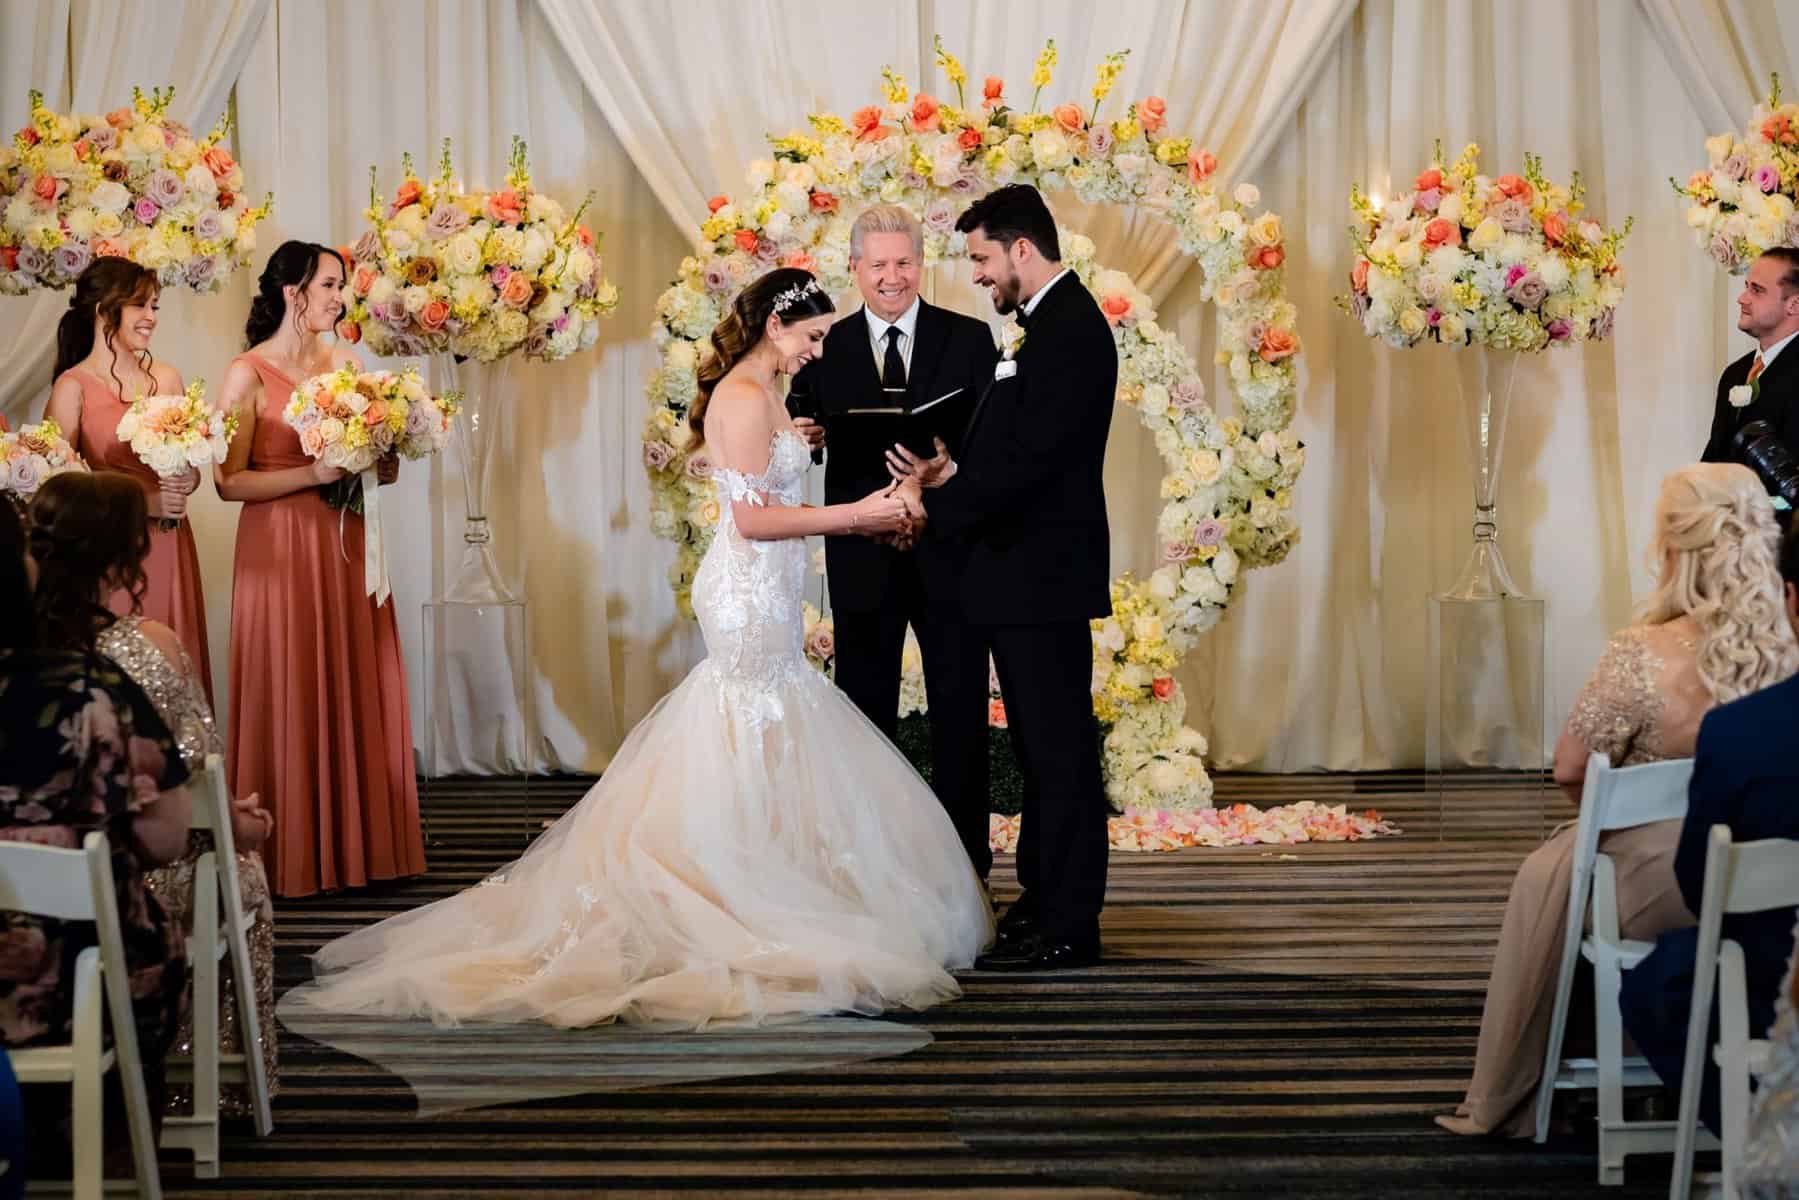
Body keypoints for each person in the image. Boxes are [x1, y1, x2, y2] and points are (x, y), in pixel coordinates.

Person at [292, 268, 991, 1031]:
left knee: (770, 723)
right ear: (774, 329)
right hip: (748, 591)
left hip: (767, 590)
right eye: (814, 336)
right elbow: (754, 524)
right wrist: (856, 515)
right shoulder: (745, 397)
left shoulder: (769, 399)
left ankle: (767, 875)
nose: (820, 352)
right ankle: (735, 890)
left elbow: (760, 488)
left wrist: (808, 453)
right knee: (752, 715)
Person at [1435, 463, 1799, 1136]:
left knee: (1566, 870)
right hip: (1777, 882)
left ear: (1671, 547)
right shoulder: (1789, 646)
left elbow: (1572, 770)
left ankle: (1560, 1073)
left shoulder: (1641, 652)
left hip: (1666, 883)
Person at [887, 184, 1116, 972]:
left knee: (1058, 753)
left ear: (1022, 249)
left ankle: (1069, 922)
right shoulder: (1046, 326)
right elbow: (1015, 453)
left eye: (982, 258)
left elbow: (1033, 466)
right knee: (1039, 747)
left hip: (1042, 577)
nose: (978, 275)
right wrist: (953, 467)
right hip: (1022, 577)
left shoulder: (1071, 330)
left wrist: (939, 499)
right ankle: (1042, 899)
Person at [28, 471, 279, 1118]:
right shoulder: (148, 650)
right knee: (233, 865)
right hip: (127, 888)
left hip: (18, 894)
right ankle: (213, 1083)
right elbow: (191, 787)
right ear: (124, 558)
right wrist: (238, 825)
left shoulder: (16, 655)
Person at [787, 204, 1000, 880]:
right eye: (876, 264)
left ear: (921, 264)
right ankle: (869, 870)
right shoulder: (824, 344)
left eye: (903, 262)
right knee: (864, 713)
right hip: (861, 558)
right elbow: (794, 417)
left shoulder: (970, 340)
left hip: (951, 552)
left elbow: (994, 445)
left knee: (960, 713)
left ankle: (966, 868)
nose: (891, 277)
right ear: (853, 269)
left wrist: (949, 471)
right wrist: (804, 432)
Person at [215, 241, 422, 899]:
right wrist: (313, 473)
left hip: (345, 544)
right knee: (292, 680)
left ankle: (360, 850)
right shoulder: (245, 374)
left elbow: (365, 458)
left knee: (350, 677)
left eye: (342, 285)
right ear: (293, 292)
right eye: (331, 285)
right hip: (278, 551)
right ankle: (289, 854)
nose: (341, 297)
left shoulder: (348, 366)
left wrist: (381, 460)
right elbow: (227, 482)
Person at [0, 490, 192, 1163]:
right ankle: (109, 1147)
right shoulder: (91, 688)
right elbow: (168, 838)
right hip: (71, 977)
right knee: (145, 950)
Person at [1620, 522, 1799, 1141]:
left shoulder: (1738, 734)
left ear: (1792, 600)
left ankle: (1762, 1138)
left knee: (1655, 986)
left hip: (1771, 987)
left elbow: (1700, 890)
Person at [44, 258, 212, 700]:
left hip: (172, 542)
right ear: (104, 311)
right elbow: (60, 487)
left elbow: (190, 465)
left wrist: (185, 479)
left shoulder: (167, 377)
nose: (152, 318)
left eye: (155, 306)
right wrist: (147, 499)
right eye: (141, 305)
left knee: (172, 669)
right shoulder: (72, 387)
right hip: (111, 551)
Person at [1702, 247, 1799, 470]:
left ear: (1794, 305)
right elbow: (1714, 459)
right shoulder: (1735, 373)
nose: (1742, 299)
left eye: (1757, 290)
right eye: (1746, 287)